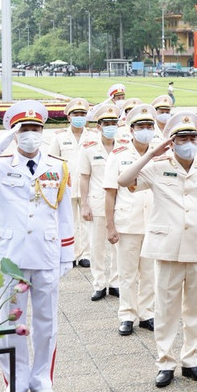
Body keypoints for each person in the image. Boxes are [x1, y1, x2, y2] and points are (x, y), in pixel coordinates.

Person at [0, 101, 74, 392]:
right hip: (9, 257)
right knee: (10, 323)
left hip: (46, 253)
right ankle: (15, 381)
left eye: (36, 129)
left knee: (46, 322)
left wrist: (67, 254)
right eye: (24, 130)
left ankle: (42, 378)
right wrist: (1, 142)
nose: (31, 135)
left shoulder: (57, 166)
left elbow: (65, 213)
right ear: (15, 132)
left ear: (43, 131)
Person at [117, 112, 197, 388]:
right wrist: (151, 154)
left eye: (192, 138)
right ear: (172, 142)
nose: (188, 142)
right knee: (165, 310)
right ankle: (165, 362)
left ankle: (192, 361)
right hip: (167, 249)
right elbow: (124, 180)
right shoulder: (157, 166)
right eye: (182, 138)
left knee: (195, 309)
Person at [104, 104, 157, 336]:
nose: (146, 130)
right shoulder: (119, 155)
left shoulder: (161, 153)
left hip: (154, 223)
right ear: (131, 129)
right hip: (127, 223)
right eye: (141, 126)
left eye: (149, 126)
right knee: (127, 273)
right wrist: (110, 225)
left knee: (149, 273)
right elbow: (110, 192)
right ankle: (127, 315)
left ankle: (147, 313)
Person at [79, 103, 124, 301]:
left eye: (113, 122)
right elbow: (84, 177)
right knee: (97, 246)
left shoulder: (124, 147)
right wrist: (84, 204)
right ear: (98, 126)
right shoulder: (88, 148)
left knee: (118, 246)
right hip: (97, 203)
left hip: (121, 203)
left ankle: (115, 282)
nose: (110, 126)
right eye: (106, 123)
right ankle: (98, 283)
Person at [49, 97, 92, 268]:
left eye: (82, 114)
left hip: (88, 186)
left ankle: (86, 254)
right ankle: (71, 254)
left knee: (87, 221)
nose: (79, 116)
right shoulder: (59, 137)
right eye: (76, 114)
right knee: (68, 221)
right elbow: (52, 160)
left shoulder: (93, 136)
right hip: (67, 186)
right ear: (69, 117)